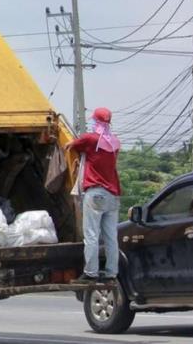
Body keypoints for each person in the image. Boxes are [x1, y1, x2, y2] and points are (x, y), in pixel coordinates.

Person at [66, 107, 121, 284]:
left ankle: (91, 272)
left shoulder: (90, 139)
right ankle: (112, 273)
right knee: (111, 237)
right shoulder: (115, 143)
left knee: (91, 235)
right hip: (113, 195)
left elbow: (70, 145)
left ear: (96, 121)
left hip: (96, 193)